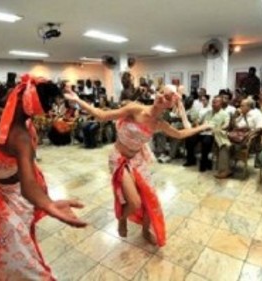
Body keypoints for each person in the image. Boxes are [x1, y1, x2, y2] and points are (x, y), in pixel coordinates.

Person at [0, 69, 87, 280]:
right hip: (1, 190)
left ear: (21, 97)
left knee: (20, 259)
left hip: (16, 197)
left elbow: (28, 186)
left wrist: (48, 204)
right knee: (14, 251)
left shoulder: (20, 137)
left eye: (17, 88)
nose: (12, 89)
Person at [64, 84, 210, 246]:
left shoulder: (159, 124)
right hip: (118, 158)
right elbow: (102, 115)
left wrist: (203, 126)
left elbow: (180, 134)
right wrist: (77, 99)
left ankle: (145, 231)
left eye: (167, 97)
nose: (161, 97)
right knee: (134, 202)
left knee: (150, 198)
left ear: (170, 104)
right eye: (161, 93)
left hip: (137, 160)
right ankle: (122, 218)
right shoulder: (135, 109)